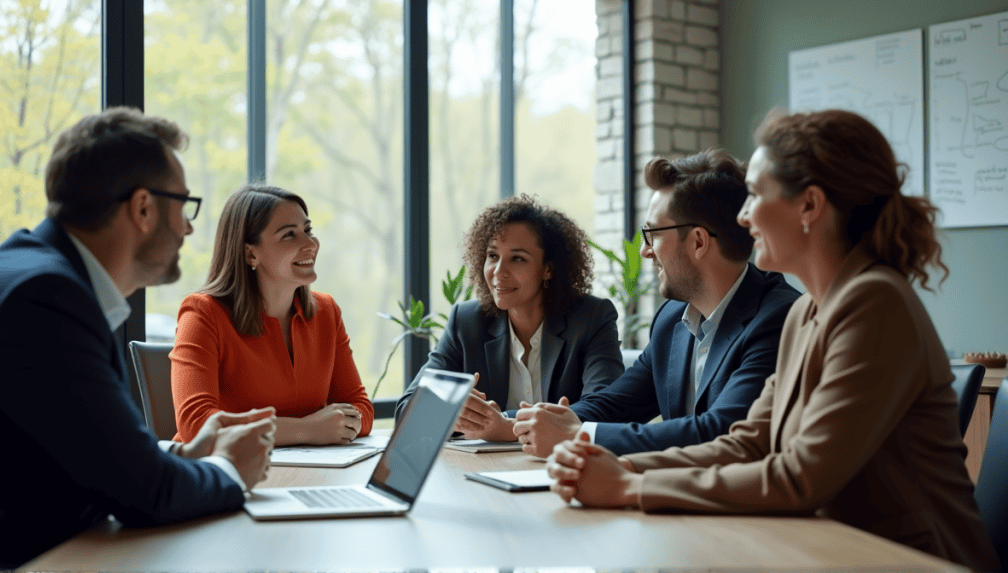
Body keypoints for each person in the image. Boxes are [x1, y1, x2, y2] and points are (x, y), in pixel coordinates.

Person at [546, 109, 999, 571]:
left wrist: (629, 488)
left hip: (908, 561)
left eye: (756, 195)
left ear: (809, 206)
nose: (743, 217)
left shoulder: (875, 302)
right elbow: (747, 443)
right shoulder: (807, 311)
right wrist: (617, 465)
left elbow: (801, 476)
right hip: (826, 551)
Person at [0, 107, 276, 569]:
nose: (188, 226)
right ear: (143, 208)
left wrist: (180, 452)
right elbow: (147, 495)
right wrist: (228, 471)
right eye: (183, 205)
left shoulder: (29, 269)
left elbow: (80, 449)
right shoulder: (46, 298)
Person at [514, 149, 800, 457]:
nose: (645, 251)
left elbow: (721, 431)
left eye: (651, 234)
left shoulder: (779, 319)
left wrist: (578, 434)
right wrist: (526, 421)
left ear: (698, 242)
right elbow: (617, 403)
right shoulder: (672, 319)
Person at [394, 194, 624, 442]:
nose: (498, 272)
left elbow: (606, 409)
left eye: (517, 258)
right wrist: (453, 413)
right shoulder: (467, 322)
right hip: (485, 471)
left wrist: (504, 424)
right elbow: (407, 410)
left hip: (561, 468)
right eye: (493, 256)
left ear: (548, 268)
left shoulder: (590, 318)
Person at [170, 185, 373, 446]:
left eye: (307, 231)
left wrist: (338, 423)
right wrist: (306, 430)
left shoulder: (326, 311)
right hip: (222, 476)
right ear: (250, 253)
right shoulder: (202, 314)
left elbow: (361, 409)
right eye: (289, 235)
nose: (310, 244)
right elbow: (196, 425)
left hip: (308, 474)